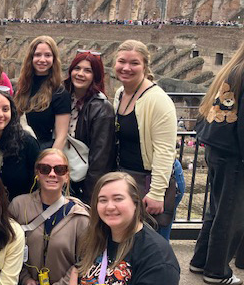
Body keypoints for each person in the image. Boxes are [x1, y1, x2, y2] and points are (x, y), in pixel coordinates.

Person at [190, 41, 244, 285]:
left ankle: (200, 261)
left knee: (216, 209)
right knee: (230, 214)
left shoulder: (234, 68)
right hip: (233, 153)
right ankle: (216, 272)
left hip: (216, 147)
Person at [113, 40, 178, 240]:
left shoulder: (158, 100)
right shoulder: (120, 93)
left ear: (145, 66)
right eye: (122, 61)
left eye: (134, 63)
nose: (126, 68)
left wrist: (157, 193)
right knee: (131, 240)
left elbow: (165, 150)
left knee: (154, 242)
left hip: (153, 181)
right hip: (131, 179)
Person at [72, 172, 180, 285]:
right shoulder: (95, 237)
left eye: (118, 199)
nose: (110, 207)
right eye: (103, 200)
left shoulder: (157, 258)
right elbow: (77, 270)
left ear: (135, 203)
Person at [9, 149, 89, 285]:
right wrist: (24, 279)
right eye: (45, 169)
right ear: (37, 173)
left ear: (67, 176)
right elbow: (7, 248)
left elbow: (84, 261)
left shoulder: (80, 217)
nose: (52, 174)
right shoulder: (18, 206)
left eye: (59, 169)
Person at [63, 50, 116, 203]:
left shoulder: (102, 108)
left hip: (83, 182)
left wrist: (89, 198)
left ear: (96, 76)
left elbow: (100, 159)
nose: (80, 74)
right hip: (64, 176)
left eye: (88, 71)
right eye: (77, 68)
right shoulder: (63, 97)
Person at [14, 35, 70, 150]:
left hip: (42, 152)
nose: (42, 60)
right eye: (38, 55)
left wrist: (49, 162)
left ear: (54, 59)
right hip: (18, 151)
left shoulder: (60, 93)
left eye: (48, 55)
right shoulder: (21, 88)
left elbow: (61, 137)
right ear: (31, 58)